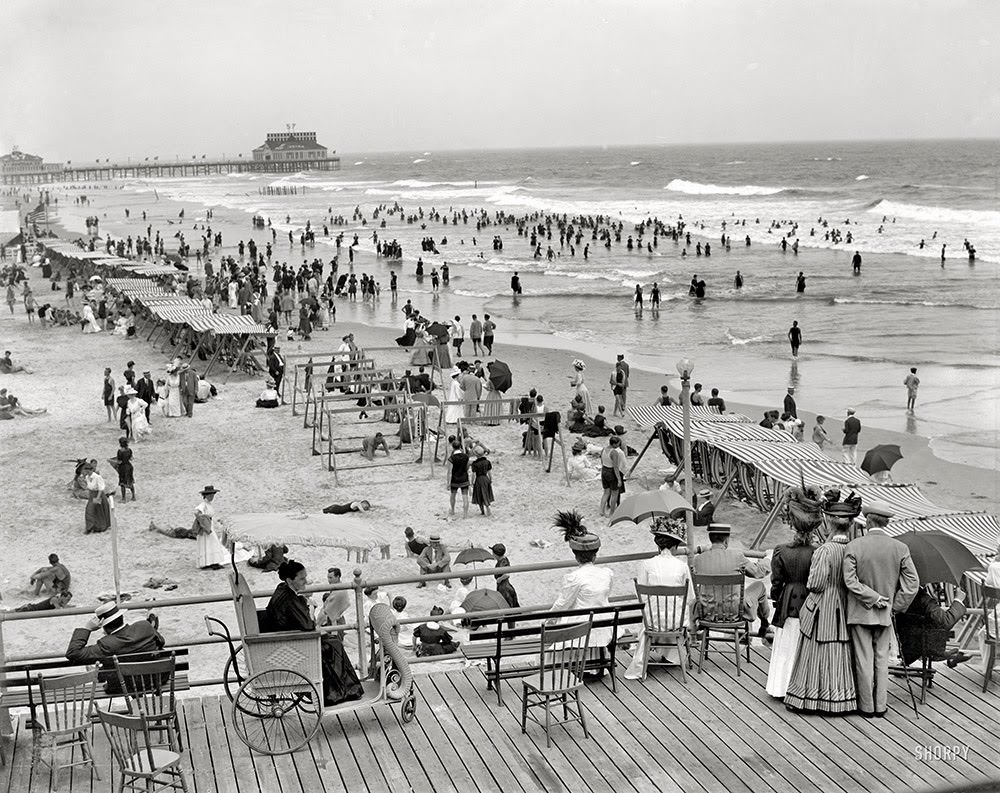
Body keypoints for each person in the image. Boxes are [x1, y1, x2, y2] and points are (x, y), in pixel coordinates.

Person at [843, 502, 920, 717]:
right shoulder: (900, 548)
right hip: (886, 613)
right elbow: (912, 584)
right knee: (881, 659)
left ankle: (866, 707)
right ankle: (881, 706)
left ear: (867, 521)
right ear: (886, 523)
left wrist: (873, 597)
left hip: (859, 612)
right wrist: (894, 606)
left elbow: (850, 581)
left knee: (863, 660)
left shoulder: (854, 546)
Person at [784, 498, 858, 715]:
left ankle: (813, 697)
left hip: (825, 603)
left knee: (817, 650)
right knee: (839, 648)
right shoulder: (853, 548)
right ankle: (840, 697)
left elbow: (815, 584)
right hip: (846, 604)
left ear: (829, 522)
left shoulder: (825, 550)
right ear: (850, 524)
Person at [264, 560, 363, 706]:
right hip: (290, 643)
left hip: (282, 636)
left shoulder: (282, 589)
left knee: (331, 640)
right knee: (333, 644)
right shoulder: (290, 599)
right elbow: (307, 625)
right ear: (290, 580)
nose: (306, 581)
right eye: (302, 578)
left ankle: (344, 689)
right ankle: (339, 692)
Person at [624, 517, 694, 680]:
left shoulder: (646, 565)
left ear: (658, 544)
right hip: (675, 623)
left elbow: (640, 596)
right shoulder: (682, 566)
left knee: (653, 612)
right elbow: (690, 598)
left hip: (653, 622)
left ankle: (654, 655)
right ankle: (672, 654)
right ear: (675, 545)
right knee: (675, 610)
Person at [549, 511, 615, 666]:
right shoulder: (607, 574)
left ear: (575, 555)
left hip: (581, 629)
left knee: (564, 618)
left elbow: (562, 604)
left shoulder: (574, 577)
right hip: (604, 627)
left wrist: (549, 618)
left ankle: (570, 666)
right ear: (595, 555)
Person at [693, 523, 772, 639]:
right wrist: (768, 558)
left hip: (707, 614)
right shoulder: (737, 556)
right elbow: (758, 572)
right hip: (734, 613)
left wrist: (706, 550)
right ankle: (765, 624)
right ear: (726, 540)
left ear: (710, 539)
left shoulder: (698, 560)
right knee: (759, 586)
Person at [66, 602, 164, 692]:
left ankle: (99, 672)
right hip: (157, 679)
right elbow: (161, 642)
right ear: (121, 617)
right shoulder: (144, 626)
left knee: (110, 663)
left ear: (103, 626)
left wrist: (87, 628)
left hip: (124, 686)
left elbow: (73, 653)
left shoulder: (106, 644)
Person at [765, 525, 816, 698]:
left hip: (788, 598)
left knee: (786, 643)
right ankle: (801, 688)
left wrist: (777, 598)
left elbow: (776, 580)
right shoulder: (816, 552)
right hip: (808, 598)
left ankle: (780, 687)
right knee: (804, 641)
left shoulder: (781, 550)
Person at [895, 585, 971, 668]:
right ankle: (950, 657)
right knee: (942, 630)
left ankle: (905, 662)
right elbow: (946, 621)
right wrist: (958, 600)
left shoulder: (900, 594)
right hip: (926, 645)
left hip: (906, 645)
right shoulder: (922, 598)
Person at [194, 485, 227, 570]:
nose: (212, 497)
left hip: (209, 525)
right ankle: (210, 563)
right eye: (210, 495)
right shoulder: (203, 505)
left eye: (212, 495)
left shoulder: (208, 505)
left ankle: (212, 562)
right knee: (211, 542)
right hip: (206, 527)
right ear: (206, 495)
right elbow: (196, 512)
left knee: (211, 543)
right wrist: (203, 520)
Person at [598, 435, 627, 518]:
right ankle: (611, 512)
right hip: (611, 472)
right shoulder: (614, 452)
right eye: (618, 444)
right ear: (614, 444)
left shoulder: (604, 449)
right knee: (614, 494)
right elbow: (615, 467)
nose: (618, 445)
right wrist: (619, 479)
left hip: (604, 470)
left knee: (606, 492)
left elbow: (602, 461)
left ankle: (601, 510)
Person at [83, 460, 111, 534]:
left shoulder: (97, 477)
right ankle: (89, 527)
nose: (87, 472)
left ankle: (98, 527)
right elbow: (89, 487)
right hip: (92, 495)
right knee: (89, 510)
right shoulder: (87, 477)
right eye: (86, 470)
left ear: (91, 470)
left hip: (98, 494)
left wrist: (98, 498)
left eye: (88, 471)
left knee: (98, 510)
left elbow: (101, 488)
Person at [445, 440, 471, 518]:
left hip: (455, 479)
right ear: (460, 447)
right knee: (465, 496)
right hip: (464, 478)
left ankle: (452, 510)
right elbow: (467, 467)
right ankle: (465, 514)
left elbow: (449, 472)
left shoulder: (451, 458)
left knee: (453, 495)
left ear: (453, 447)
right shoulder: (466, 456)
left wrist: (448, 483)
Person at [492, 543, 519, 609]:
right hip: (504, 586)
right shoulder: (504, 559)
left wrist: (500, 579)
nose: (492, 554)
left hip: (504, 588)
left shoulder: (503, 562)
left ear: (496, 554)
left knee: (506, 605)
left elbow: (507, 574)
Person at [470, 446, 494, 517]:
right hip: (485, 478)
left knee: (479, 495)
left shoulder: (475, 464)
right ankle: (487, 507)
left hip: (479, 479)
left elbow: (473, 474)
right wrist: (490, 479)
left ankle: (483, 511)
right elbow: (489, 472)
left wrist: (472, 482)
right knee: (486, 493)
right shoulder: (487, 462)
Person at [115, 436, 136, 502]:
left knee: (122, 483)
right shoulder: (129, 450)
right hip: (129, 467)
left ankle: (123, 498)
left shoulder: (120, 451)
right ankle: (133, 497)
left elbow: (119, 461)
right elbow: (131, 458)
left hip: (123, 468)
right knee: (130, 481)